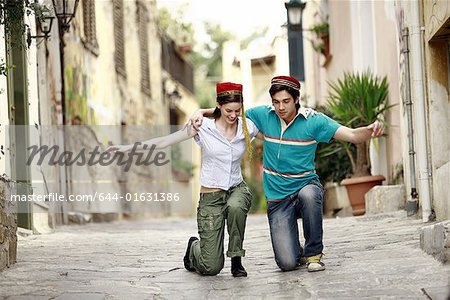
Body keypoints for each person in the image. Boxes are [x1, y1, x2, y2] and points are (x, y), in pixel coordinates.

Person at [190, 75, 385, 273]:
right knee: (287, 263)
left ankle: (314, 254)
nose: (281, 107)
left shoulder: (313, 121)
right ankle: (295, 251)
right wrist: (201, 111)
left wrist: (370, 130)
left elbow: (351, 135)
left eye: (286, 101)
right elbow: (230, 111)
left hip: (304, 186)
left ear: (297, 99)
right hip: (278, 197)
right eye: (276, 102)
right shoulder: (264, 115)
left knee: (310, 195)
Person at [106, 82, 261, 277]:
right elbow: (164, 141)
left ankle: (236, 260)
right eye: (228, 110)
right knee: (210, 267)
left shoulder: (247, 127)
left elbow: (274, 129)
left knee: (236, 206)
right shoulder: (202, 126)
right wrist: (125, 149)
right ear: (219, 106)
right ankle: (193, 249)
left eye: (237, 111)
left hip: (236, 188)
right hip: (211, 196)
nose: (233, 115)